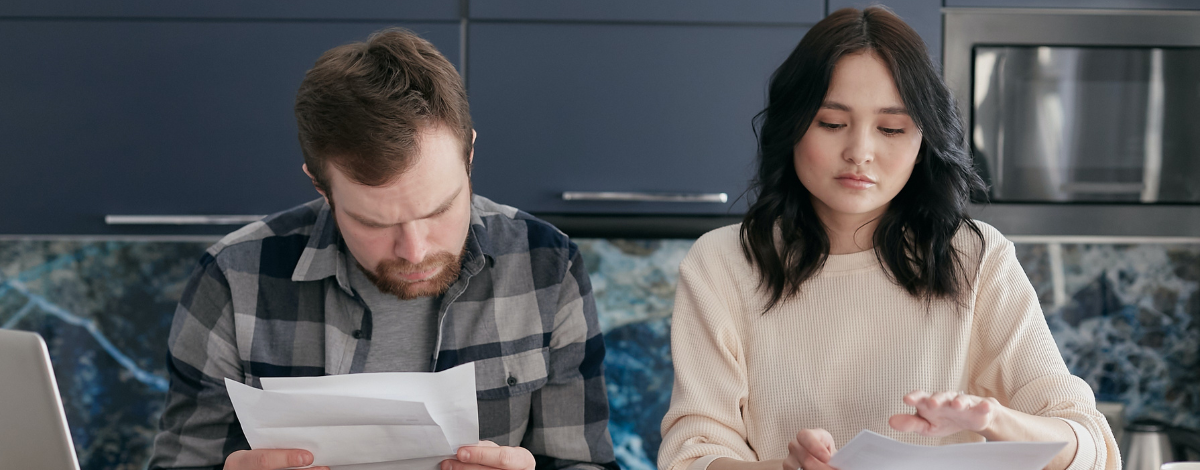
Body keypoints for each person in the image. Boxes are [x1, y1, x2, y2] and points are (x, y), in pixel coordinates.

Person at [658, 7, 1119, 470]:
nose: (859, 152)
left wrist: (994, 419)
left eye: (891, 129)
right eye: (832, 123)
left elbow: (1090, 448)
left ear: (923, 142)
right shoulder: (722, 262)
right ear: (792, 127)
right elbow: (692, 455)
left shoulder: (976, 257)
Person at [149, 29, 617, 470]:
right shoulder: (233, 279)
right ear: (320, 185)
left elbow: (584, 460)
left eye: (440, 210)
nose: (414, 251)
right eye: (373, 222)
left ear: (469, 154)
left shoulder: (548, 267)